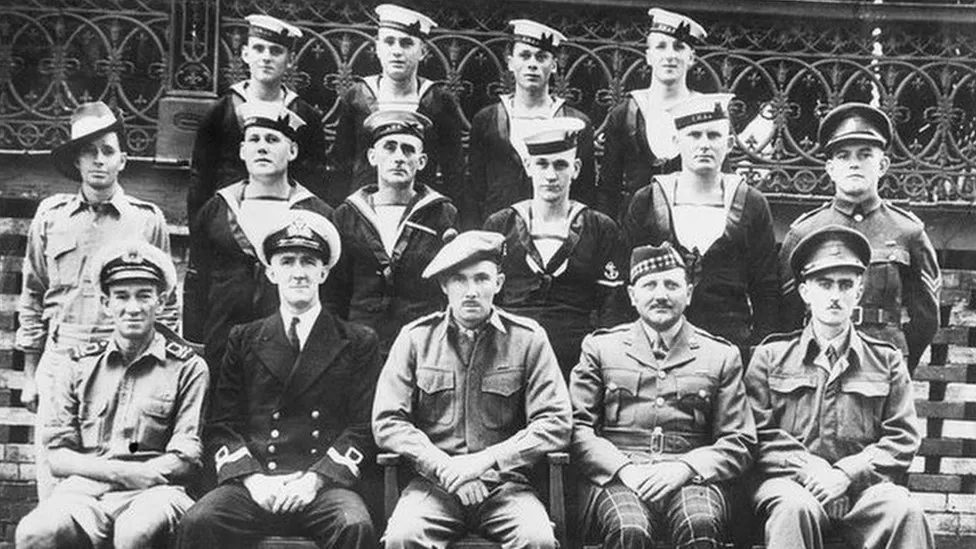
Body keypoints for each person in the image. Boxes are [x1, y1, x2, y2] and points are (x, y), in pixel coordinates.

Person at [178, 210, 380, 549]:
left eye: (308, 262)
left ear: (324, 272)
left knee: (354, 525)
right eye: (287, 262)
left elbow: (361, 428)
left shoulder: (358, 341)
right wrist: (253, 480)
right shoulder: (244, 338)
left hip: (323, 485)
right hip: (257, 483)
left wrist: (314, 481)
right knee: (199, 521)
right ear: (271, 272)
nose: (298, 272)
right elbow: (223, 424)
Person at [373, 230, 572, 549]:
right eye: (459, 280)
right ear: (444, 285)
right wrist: (445, 467)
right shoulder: (415, 339)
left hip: (505, 486)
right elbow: (388, 422)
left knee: (537, 539)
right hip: (434, 486)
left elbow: (555, 423)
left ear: (499, 283)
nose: (471, 291)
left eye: (482, 279)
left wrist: (485, 462)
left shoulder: (528, 339)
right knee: (403, 536)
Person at [17, 101, 173, 499]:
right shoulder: (51, 216)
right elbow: (33, 293)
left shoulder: (146, 219)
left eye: (107, 150)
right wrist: (32, 374)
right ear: (76, 161)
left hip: (122, 360)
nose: (99, 160)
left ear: (123, 159)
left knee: (117, 480)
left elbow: (167, 304)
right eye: (89, 152)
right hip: (61, 356)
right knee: (54, 480)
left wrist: (162, 372)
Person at [745, 225, 934, 549]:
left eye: (845, 285)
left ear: (858, 292)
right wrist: (808, 468)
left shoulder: (886, 360)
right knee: (794, 508)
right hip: (791, 484)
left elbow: (902, 438)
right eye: (824, 284)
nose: (835, 295)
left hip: (864, 491)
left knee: (905, 510)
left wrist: (847, 474)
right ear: (805, 292)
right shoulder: (771, 357)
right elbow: (755, 433)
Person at [15, 241, 208, 549]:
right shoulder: (77, 364)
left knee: (135, 530)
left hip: (156, 490)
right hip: (86, 490)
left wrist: (139, 476)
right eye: (121, 296)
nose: (133, 308)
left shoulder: (188, 367)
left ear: (161, 301)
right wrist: (119, 472)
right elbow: (58, 456)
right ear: (106, 303)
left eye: (144, 296)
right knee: (34, 532)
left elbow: (186, 459)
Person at [569, 242, 755, 549]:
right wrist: (624, 470)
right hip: (620, 476)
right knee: (629, 528)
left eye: (671, 285)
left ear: (689, 293)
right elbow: (577, 428)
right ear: (632, 295)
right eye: (650, 285)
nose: (661, 295)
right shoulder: (600, 348)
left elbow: (739, 441)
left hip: (692, 478)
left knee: (700, 524)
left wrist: (685, 468)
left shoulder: (720, 355)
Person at [779, 102, 941, 373]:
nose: (854, 164)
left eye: (865, 155)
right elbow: (785, 314)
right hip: (818, 361)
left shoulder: (908, 231)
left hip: (881, 363)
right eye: (843, 156)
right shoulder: (804, 231)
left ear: (883, 165)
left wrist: (898, 360)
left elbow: (926, 318)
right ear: (830, 168)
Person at [622, 93, 778, 355]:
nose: (704, 144)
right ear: (676, 141)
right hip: (658, 348)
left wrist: (761, 353)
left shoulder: (751, 202)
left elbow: (766, 287)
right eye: (694, 135)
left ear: (729, 144)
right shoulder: (648, 200)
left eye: (713, 136)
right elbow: (627, 281)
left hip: (730, 346)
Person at [183, 101, 333, 373]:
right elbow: (197, 280)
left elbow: (332, 290)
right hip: (222, 345)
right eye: (254, 140)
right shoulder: (217, 209)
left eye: (273, 140)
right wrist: (194, 343)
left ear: (293, 151)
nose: (262, 147)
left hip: (289, 353)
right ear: (242, 151)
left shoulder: (315, 213)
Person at [484, 117, 627, 377]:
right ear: (528, 166)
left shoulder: (599, 227)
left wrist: (597, 366)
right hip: (508, 356)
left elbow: (611, 307)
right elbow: (487, 297)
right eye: (542, 164)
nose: (551, 176)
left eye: (561, 165)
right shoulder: (501, 224)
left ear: (576, 168)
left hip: (576, 360)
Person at [325, 110, 458, 357]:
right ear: (372, 157)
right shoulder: (347, 214)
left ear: (422, 161)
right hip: (360, 344)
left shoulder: (441, 213)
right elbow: (334, 291)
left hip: (423, 343)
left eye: (408, 150)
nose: (398, 157)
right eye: (390, 147)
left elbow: (449, 285)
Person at [188, 14, 328, 217]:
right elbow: (200, 178)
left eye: (276, 51)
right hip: (230, 218)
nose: (266, 57)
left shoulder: (305, 115)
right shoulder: (221, 111)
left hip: (286, 216)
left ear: (290, 60)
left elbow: (315, 180)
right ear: (245, 54)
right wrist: (202, 227)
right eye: (258, 49)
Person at [328, 4, 467, 206]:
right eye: (389, 42)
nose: (397, 51)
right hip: (363, 210)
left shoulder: (439, 100)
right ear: (378, 48)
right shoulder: (357, 97)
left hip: (421, 210)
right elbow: (341, 164)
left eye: (406, 43)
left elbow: (454, 171)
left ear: (423, 51)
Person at [468, 19, 595, 224]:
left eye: (541, 57)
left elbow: (585, 190)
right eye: (525, 55)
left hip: (556, 229)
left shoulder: (575, 123)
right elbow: (475, 188)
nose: (532, 64)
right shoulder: (487, 119)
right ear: (510, 62)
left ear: (554, 65)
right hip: (498, 228)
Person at [596, 8, 707, 219]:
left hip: (691, 224)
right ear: (649, 56)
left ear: (691, 57)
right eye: (661, 47)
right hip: (635, 227)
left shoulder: (704, 110)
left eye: (679, 47)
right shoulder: (625, 113)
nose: (670, 55)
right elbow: (608, 188)